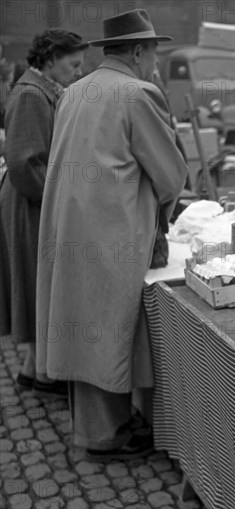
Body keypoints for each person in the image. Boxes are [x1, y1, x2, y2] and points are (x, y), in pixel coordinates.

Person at [35, 9, 188, 461]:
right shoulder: (138, 93)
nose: (157, 65)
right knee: (107, 327)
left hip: (71, 226)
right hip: (111, 231)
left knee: (85, 323)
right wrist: (161, 211)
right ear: (139, 52)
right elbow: (171, 173)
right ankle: (105, 436)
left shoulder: (74, 91)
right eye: (155, 54)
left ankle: (99, 427)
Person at [0, 29, 88, 396]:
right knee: (38, 280)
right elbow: (24, 162)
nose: (78, 71)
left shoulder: (42, 91)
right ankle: (45, 374)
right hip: (31, 204)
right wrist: (59, 200)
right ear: (51, 58)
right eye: (73, 63)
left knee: (39, 282)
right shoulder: (32, 95)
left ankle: (34, 369)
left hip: (36, 199)